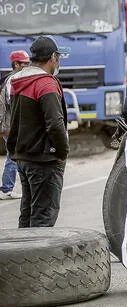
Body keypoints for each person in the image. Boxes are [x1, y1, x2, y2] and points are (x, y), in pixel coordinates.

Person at [7, 36, 68, 227]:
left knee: (27, 214)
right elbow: (55, 124)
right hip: (43, 159)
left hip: (24, 155)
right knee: (43, 217)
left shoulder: (18, 81)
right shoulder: (46, 84)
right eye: (58, 57)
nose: (58, 61)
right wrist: (61, 152)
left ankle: (22, 256)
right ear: (52, 58)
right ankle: (38, 257)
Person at [0, 50, 30, 200]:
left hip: (13, 124)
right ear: (16, 64)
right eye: (23, 63)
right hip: (11, 125)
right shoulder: (13, 80)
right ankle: (6, 188)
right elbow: (13, 104)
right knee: (14, 155)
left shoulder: (14, 79)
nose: (26, 65)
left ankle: (8, 187)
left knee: (15, 155)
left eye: (27, 63)